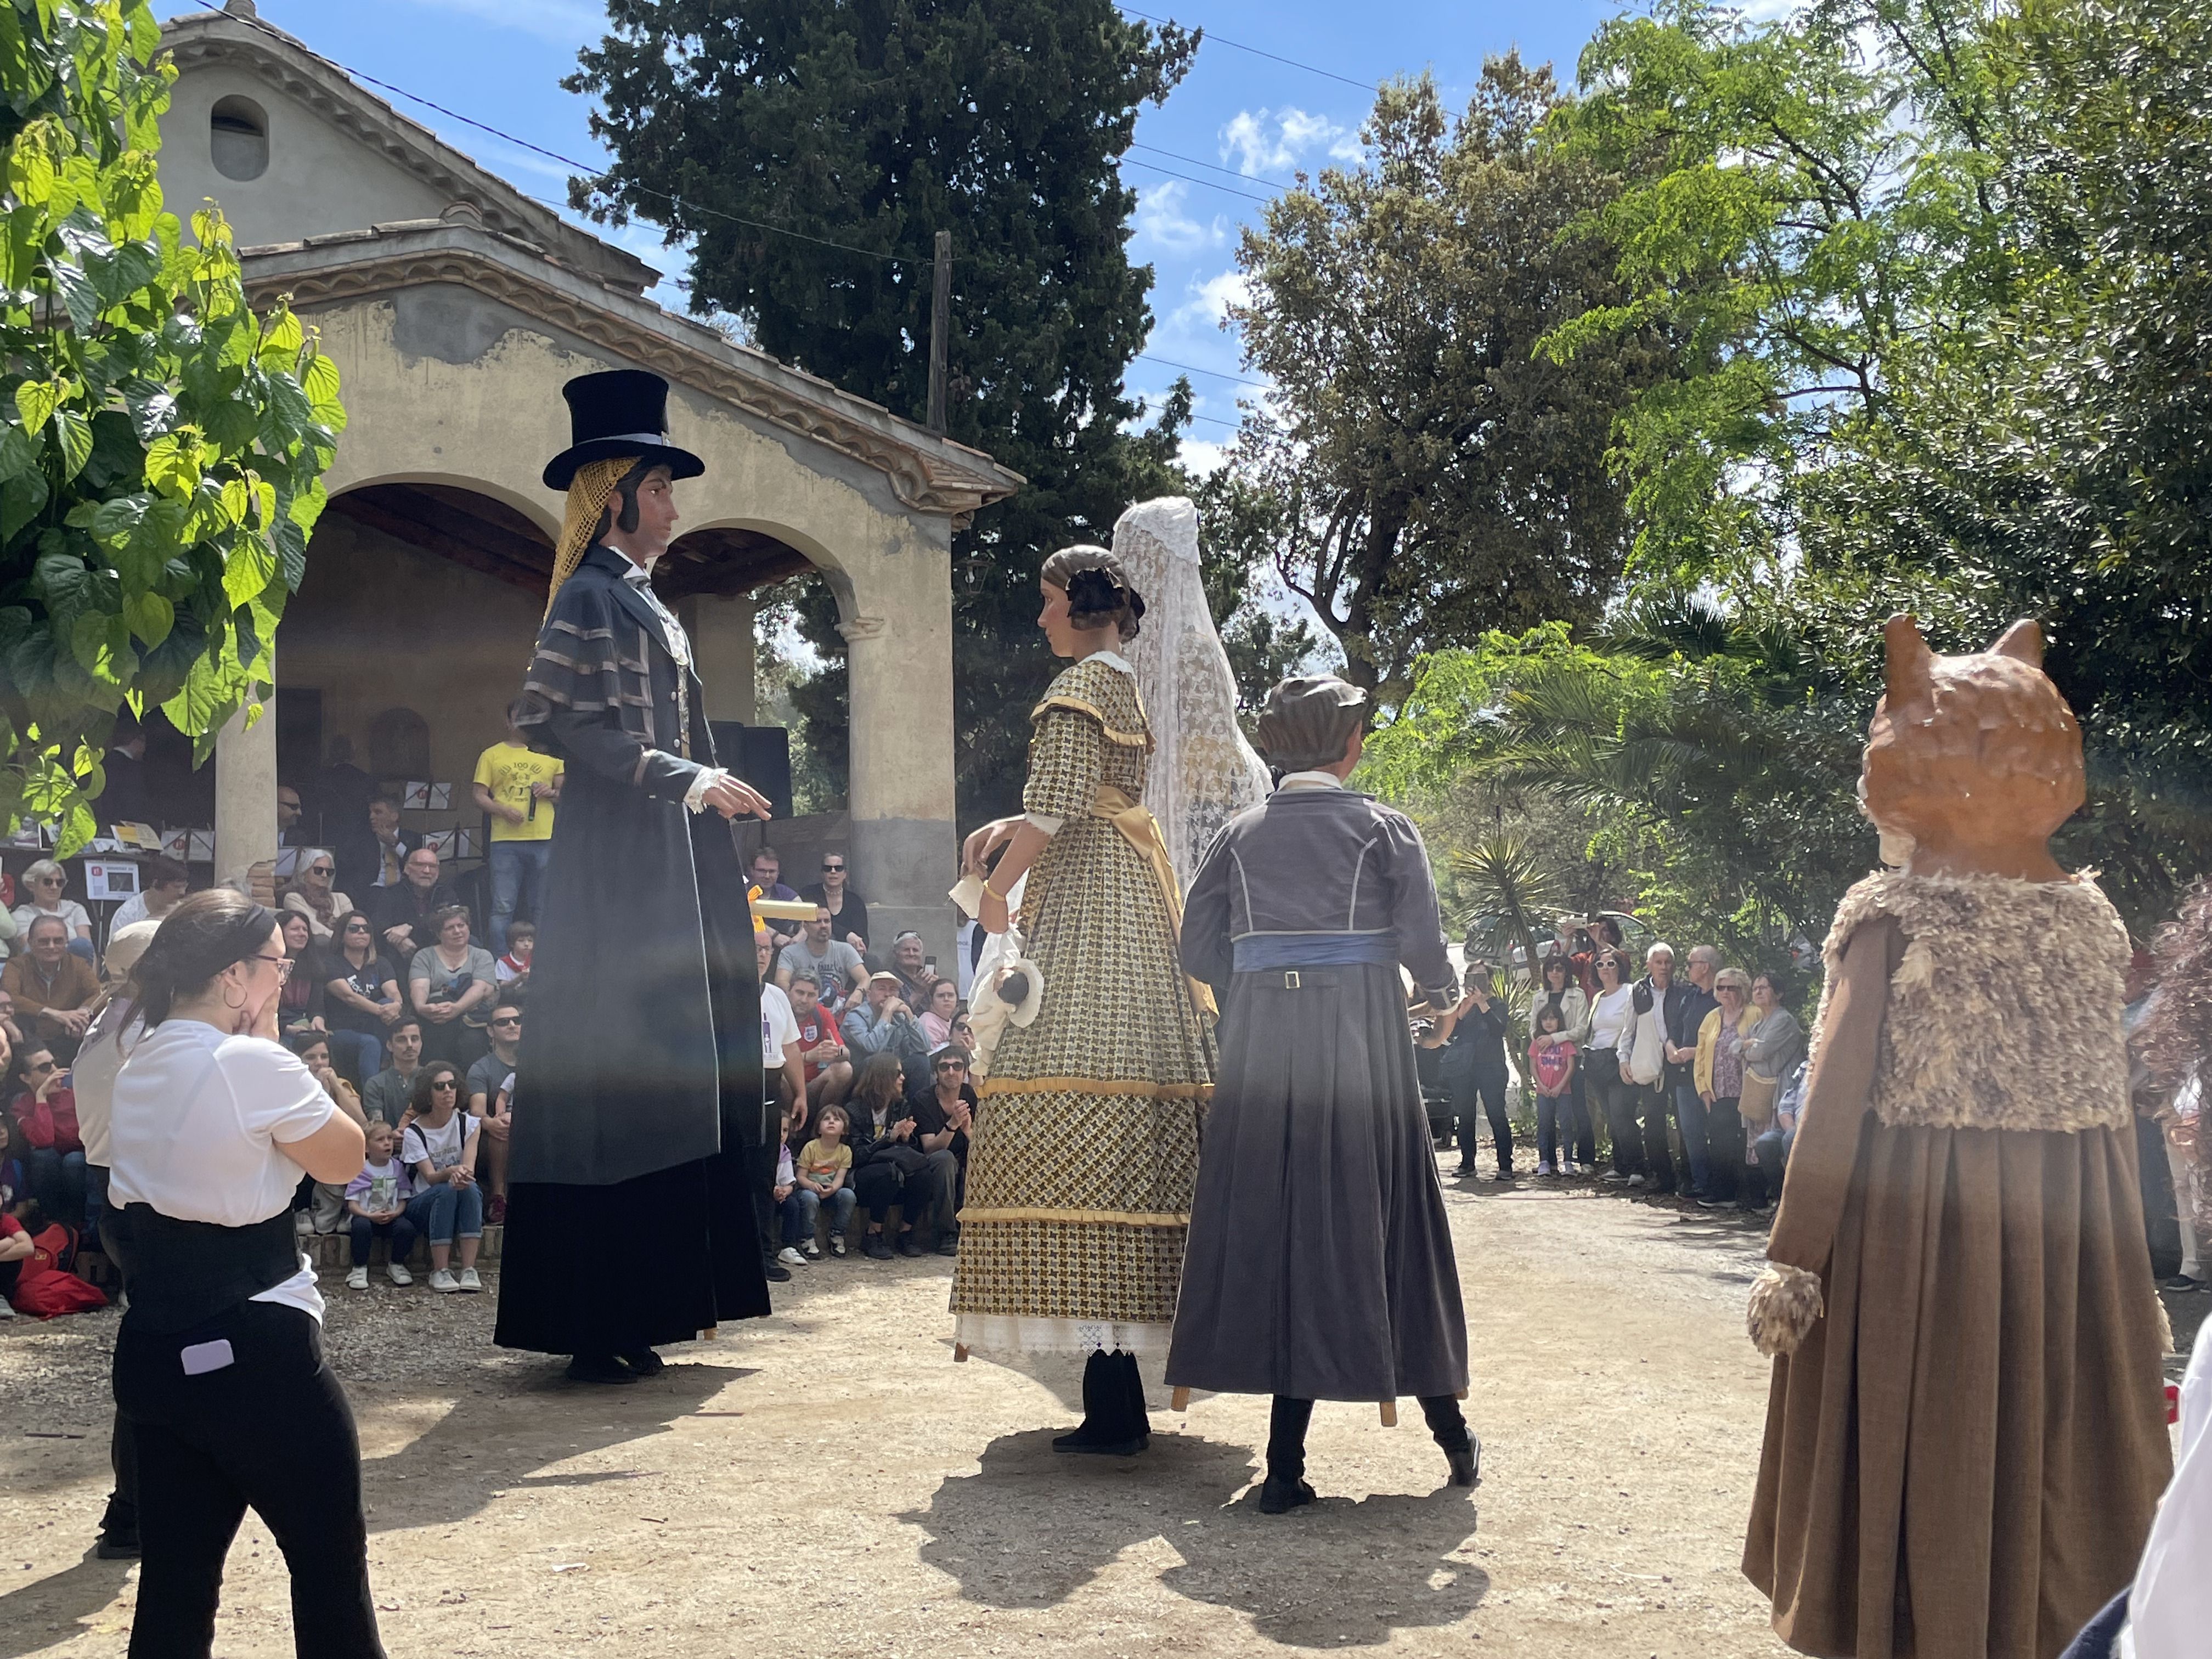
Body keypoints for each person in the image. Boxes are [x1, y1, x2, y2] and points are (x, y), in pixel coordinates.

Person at [1744, 617, 2169, 1657]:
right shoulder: (2090, 923)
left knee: (1920, 1425)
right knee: (2050, 1431)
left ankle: (1915, 1615)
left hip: (1912, 1233)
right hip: (2068, 1232)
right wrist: (2128, 1266)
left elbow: (1836, 1098)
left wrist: (1794, 1258)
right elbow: (2108, 1104)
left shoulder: (1892, 916)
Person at [495, 368, 772, 1384]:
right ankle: (593, 1317)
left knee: (679, 1073)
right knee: (620, 1072)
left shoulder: (646, 601)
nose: (673, 505)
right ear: (613, 494)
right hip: (617, 860)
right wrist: (683, 775)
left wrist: (702, 785)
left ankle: (655, 1304)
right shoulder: (587, 595)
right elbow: (556, 720)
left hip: (671, 854)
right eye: (659, 487)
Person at [1169, 673, 1476, 1511]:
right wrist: (1442, 1000)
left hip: (1263, 1044)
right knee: (1385, 1214)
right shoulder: (1383, 828)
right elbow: (1423, 944)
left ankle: (1285, 1468)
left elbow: (1197, 948)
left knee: (1273, 1220)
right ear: (1350, 743)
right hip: (1361, 1041)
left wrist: (1264, 988)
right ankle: (1453, 1438)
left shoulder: (1237, 834)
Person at [952, 545, 1215, 1455]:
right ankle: (1117, 1392)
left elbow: (1060, 803)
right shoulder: (1118, 682)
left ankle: (1113, 1406)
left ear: (1081, 605)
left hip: (1088, 906)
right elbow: (1075, 797)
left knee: (1062, 1106)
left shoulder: (1073, 692)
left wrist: (995, 890)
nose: (1040, 616)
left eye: (1048, 598)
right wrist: (1008, 825)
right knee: (1124, 1121)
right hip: (1129, 901)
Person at [103, 889, 381, 1658]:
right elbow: (347, 1160)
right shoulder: (252, 1061)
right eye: (276, 964)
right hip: (257, 1342)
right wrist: (277, 1046)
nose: (282, 979)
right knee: (330, 1570)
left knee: (175, 1588)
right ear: (235, 976)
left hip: (156, 1347)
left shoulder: (138, 1057)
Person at [472, 702, 565, 955]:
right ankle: (503, 964)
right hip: (505, 840)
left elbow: (565, 796)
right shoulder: (491, 755)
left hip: (543, 837)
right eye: (518, 718)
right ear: (508, 722)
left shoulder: (551, 756)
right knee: (503, 906)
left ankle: (542, 961)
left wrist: (551, 792)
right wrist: (503, 810)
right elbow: (479, 795)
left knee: (542, 905)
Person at [400, 1063, 483, 1293]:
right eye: (440, 1086)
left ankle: (468, 1268)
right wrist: (450, 1173)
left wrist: (459, 1174)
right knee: (448, 1189)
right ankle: (441, 1269)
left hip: (457, 1189)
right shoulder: (414, 1132)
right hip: (422, 1201)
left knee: (469, 1188)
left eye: (452, 1085)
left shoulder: (470, 1124)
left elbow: (469, 1168)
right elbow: (430, 1176)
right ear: (428, 1092)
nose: (448, 1090)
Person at [1426, 962, 1513, 1178]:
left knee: (1497, 1114)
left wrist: (1483, 1003)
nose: (1476, 982)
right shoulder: (1463, 1007)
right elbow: (1451, 1032)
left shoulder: (1497, 1005)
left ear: (1490, 980)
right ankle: (1467, 1162)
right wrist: (1466, 1006)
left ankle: (1505, 1165)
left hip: (1491, 1067)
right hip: (1464, 1068)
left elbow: (1498, 1029)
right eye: (1472, 977)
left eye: (1481, 977)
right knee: (1465, 1115)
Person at [846, 1053, 930, 1260]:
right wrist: (888, 1139)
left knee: (923, 1174)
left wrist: (907, 1138)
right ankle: (873, 1233)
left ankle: (905, 1233)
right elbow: (857, 1156)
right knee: (887, 1174)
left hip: (895, 1167)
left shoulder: (901, 1106)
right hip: (864, 1174)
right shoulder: (854, 1109)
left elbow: (911, 1152)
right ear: (882, 1076)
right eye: (898, 1073)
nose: (903, 1078)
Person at [1625, 942, 1690, 1194]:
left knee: (1685, 1121)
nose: (1663, 967)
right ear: (1649, 965)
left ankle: (1688, 1177)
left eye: (1668, 963)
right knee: (1653, 1121)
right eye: (1659, 962)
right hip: (1652, 1064)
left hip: (1680, 1062)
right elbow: (1628, 1030)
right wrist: (1624, 1059)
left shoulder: (1685, 991)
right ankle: (1663, 1177)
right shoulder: (1639, 992)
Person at [1737, 972, 1806, 1212]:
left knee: (1778, 1145)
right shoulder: (1758, 1024)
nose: (1758, 991)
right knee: (1760, 1145)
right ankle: (1773, 1199)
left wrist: (1748, 1049)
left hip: (1781, 1095)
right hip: (1761, 1094)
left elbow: (1760, 1055)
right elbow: (1734, 1047)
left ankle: (1787, 1202)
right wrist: (1749, 1048)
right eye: (1755, 988)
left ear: (1778, 993)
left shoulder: (1784, 1020)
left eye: (1764, 987)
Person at [1694, 966, 1757, 1209]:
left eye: (1732, 988)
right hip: (1718, 1091)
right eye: (1721, 987)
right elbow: (1701, 1055)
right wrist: (1704, 1089)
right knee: (1720, 1143)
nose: (1726, 992)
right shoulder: (1712, 1017)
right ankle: (1724, 1194)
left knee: (1747, 1142)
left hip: (1747, 1091)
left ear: (1743, 990)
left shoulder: (1754, 1014)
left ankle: (1752, 1196)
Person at [1527, 951, 1593, 1176]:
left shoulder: (1578, 995)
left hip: (1572, 1057)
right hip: (1545, 1061)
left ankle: (1583, 1159)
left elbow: (1582, 1029)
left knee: (1577, 1112)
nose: (1555, 972)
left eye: (1560, 968)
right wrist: (1541, 1041)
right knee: (1546, 1116)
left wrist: (1554, 1038)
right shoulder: (1540, 997)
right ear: (1546, 972)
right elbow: (1533, 1027)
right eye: (1551, 968)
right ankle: (1549, 1161)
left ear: (1567, 972)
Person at [1664, 944, 1722, 1201]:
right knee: (1691, 1131)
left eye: (1690, 964)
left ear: (1705, 967)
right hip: (1684, 1075)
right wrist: (1670, 1047)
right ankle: (1700, 1183)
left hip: (1714, 1075)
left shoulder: (1722, 998)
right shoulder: (1690, 996)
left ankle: (1722, 1186)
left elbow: (1726, 1038)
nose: (1686, 969)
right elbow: (1674, 1028)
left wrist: (1695, 1051)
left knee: (1718, 1129)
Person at [906, 1045, 974, 1255]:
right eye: (944, 1067)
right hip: (933, 1162)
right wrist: (953, 1124)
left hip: (965, 1157)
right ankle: (946, 1233)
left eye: (957, 1066)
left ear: (965, 1072)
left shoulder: (971, 1094)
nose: (951, 1072)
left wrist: (969, 1131)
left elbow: (980, 1142)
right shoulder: (924, 1099)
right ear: (936, 1073)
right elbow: (930, 1148)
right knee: (945, 1160)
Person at [9, 1041, 85, 1229]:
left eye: (54, 1063)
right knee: (43, 1155)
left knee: (74, 1161)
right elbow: (44, 1140)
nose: (54, 1070)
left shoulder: (76, 1094)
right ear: (25, 1078)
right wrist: (41, 1097)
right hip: (48, 1168)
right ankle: (54, 1224)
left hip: (80, 1162)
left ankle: (78, 1225)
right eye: (45, 1068)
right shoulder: (22, 1105)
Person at [408, 905, 495, 1067]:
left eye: (461, 925)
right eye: (450, 928)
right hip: (435, 1018)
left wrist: (457, 1008)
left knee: (473, 1042)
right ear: (438, 934)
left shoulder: (482, 956)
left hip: (472, 1019)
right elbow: (420, 986)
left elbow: (481, 988)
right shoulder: (424, 956)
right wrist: (420, 1007)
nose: (457, 931)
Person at [321, 911, 400, 1086]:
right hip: (343, 1029)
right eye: (354, 929)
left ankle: (389, 1062)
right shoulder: (331, 963)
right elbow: (349, 997)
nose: (362, 932)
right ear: (342, 935)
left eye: (366, 929)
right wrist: (382, 1011)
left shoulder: (381, 963)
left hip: (374, 1025)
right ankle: (372, 1097)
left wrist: (396, 1005)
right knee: (371, 1041)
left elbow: (393, 992)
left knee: (388, 1003)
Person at [4, 913, 99, 1057]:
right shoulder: (16, 966)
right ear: (30, 942)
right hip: (28, 1040)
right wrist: (54, 1014)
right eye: (43, 941)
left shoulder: (77, 964)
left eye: (58, 941)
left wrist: (82, 1014)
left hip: (67, 1038)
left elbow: (98, 993)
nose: (51, 946)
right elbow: (10, 998)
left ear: (67, 941)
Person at [466, 996, 524, 1224]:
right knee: (501, 1127)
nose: (512, 1025)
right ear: (490, 1031)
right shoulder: (481, 1068)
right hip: (497, 1136)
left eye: (517, 1020)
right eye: (503, 1022)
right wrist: (491, 1122)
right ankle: (498, 1198)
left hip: (534, 1129)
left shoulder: (538, 1062)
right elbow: (477, 1111)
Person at [1585, 950, 1639, 1183]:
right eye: (1600, 964)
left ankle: (1638, 1167)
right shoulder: (1598, 997)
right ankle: (1620, 1166)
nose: (1605, 968)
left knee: (1622, 1115)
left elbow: (1632, 1029)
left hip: (1619, 1061)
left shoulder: (1630, 993)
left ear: (1620, 966)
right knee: (1610, 1115)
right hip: (1597, 1062)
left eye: (1611, 963)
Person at [783, 1103, 857, 1261]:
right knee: (810, 1199)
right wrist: (811, 1185)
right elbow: (801, 1177)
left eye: (837, 1119)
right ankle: (807, 1237)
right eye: (826, 1119)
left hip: (832, 1190)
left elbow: (840, 1178)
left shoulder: (845, 1151)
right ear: (818, 1128)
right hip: (809, 1189)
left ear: (844, 1130)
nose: (831, 1121)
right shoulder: (811, 1147)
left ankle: (837, 1234)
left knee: (849, 1195)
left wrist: (832, 1189)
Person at [842, 968, 930, 1094]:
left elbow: (923, 1047)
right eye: (882, 989)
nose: (888, 994)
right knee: (875, 1062)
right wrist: (887, 1013)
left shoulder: (900, 1016)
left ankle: (915, 1110)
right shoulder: (855, 1017)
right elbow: (872, 1048)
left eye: (893, 990)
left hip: (893, 1069)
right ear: (869, 995)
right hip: (863, 1073)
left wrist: (909, 1014)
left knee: (921, 1061)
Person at [370, 846, 460, 969]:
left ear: (438, 872)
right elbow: (378, 927)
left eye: (432, 866)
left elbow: (454, 924)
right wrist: (399, 941)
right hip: (402, 959)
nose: (427, 871)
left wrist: (409, 927)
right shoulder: (391, 894)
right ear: (407, 869)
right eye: (420, 865)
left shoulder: (446, 894)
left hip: (439, 952)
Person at [786, 972, 854, 1110]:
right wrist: (808, 1056)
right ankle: (788, 1125)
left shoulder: (821, 1013)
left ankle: (820, 1123)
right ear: (788, 992)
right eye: (800, 993)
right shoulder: (778, 1011)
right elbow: (770, 1060)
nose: (804, 1000)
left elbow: (846, 1053)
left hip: (812, 1085)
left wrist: (836, 1051)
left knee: (844, 1069)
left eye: (811, 995)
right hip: (785, 1084)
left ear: (818, 997)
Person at [777, 904, 865, 1009]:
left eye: (827, 921)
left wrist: (858, 993)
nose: (824, 926)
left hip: (839, 1014)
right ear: (805, 926)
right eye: (817, 921)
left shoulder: (845, 950)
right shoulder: (789, 953)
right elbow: (781, 983)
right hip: (802, 1013)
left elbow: (865, 978)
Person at [1528, 1003, 1579, 1174]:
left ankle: (1568, 1161)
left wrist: (1560, 1086)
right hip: (1543, 1092)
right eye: (1545, 1019)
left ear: (1559, 1021)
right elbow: (1533, 1067)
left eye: (1553, 1018)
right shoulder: (1536, 1043)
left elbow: (1571, 1067)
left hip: (1563, 1092)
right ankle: (1544, 1161)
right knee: (1544, 1125)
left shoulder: (1566, 1044)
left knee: (1566, 1125)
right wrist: (1541, 1086)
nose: (1549, 1022)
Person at [11, 859, 94, 956]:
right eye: (47, 882)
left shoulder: (76, 909)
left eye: (60, 883)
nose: (54, 887)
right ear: (31, 885)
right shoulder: (21, 915)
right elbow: (33, 950)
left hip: (75, 968)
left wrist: (91, 971)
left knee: (82, 945)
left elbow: (88, 952)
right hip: (39, 968)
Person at [799, 852, 869, 953]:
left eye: (838, 868)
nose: (833, 872)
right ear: (822, 873)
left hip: (846, 955)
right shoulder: (809, 893)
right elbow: (815, 923)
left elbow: (863, 938)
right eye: (828, 868)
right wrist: (847, 934)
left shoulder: (855, 901)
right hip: (813, 950)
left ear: (845, 874)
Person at [362, 1018, 425, 1126]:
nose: (410, 1045)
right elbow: (377, 1128)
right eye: (402, 1040)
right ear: (389, 1045)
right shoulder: (376, 1084)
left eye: (414, 1039)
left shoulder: (434, 1079)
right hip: (390, 1142)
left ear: (421, 1044)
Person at [274, 910, 327, 1040]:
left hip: (304, 1024)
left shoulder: (314, 967)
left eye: (305, 930)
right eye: (295, 929)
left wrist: (318, 1019)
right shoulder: (267, 967)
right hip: (278, 1028)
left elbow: (317, 1007)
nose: (302, 934)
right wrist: (287, 1028)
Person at [280, 849, 350, 942]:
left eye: (329, 872)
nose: (324, 875)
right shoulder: (293, 898)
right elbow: (311, 925)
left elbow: (352, 926)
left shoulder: (342, 899)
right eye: (318, 870)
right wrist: (341, 939)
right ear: (304, 872)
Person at [110, 856, 189, 933]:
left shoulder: (185, 910)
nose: (182, 892)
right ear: (156, 884)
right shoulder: (128, 914)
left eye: (185, 886)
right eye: (177, 887)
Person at [750, 846, 803, 949]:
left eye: (772, 871)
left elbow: (809, 918)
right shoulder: (743, 893)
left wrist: (800, 937)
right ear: (752, 871)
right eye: (762, 871)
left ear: (778, 873)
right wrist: (774, 936)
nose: (767, 876)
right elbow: (744, 918)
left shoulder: (785, 893)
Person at [886, 930, 940, 1007]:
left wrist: (936, 989)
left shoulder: (927, 976)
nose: (911, 954)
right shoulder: (890, 979)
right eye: (906, 950)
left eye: (915, 950)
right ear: (896, 953)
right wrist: (918, 992)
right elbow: (898, 1014)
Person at [919, 978, 961, 1049]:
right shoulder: (928, 1023)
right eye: (941, 996)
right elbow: (933, 1056)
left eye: (951, 995)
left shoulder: (951, 1022)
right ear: (931, 1000)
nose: (946, 999)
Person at [494, 920, 534, 991]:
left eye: (530, 941)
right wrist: (519, 979)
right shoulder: (503, 962)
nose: (527, 944)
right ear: (512, 943)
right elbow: (502, 986)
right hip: (511, 997)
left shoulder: (535, 960)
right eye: (521, 940)